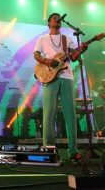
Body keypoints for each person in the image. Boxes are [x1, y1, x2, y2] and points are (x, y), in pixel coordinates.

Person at [33, 12, 87, 162]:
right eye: (54, 17)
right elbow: (36, 55)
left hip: (67, 77)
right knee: (49, 113)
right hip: (50, 78)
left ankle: (73, 151)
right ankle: (49, 149)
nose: (57, 19)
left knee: (70, 114)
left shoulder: (67, 39)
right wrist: (46, 61)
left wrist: (81, 49)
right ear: (49, 23)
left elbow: (74, 57)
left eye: (59, 17)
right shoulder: (42, 39)